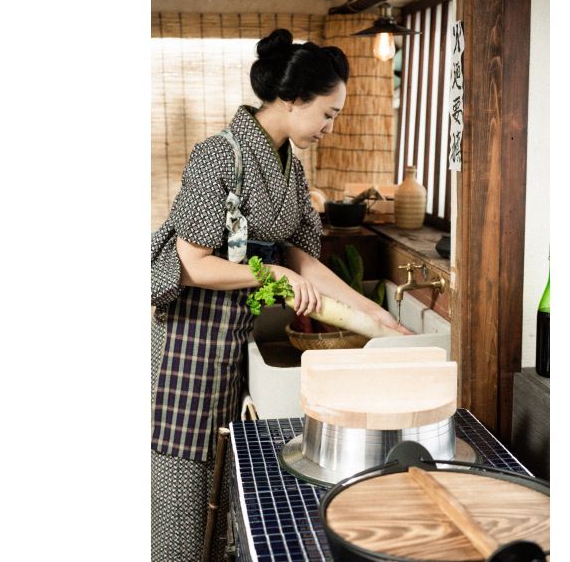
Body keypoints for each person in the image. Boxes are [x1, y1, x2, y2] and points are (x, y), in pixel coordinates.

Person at [150, 28, 409, 561]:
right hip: (190, 349)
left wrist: (375, 315)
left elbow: (301, 260)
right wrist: (273, 277)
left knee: (228, 484)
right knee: (184, 495)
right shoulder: (217, 156)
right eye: (329, 113)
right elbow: (194, 265)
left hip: (234, 341)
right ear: (292, 101)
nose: (331, 128)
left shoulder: (290, 167)